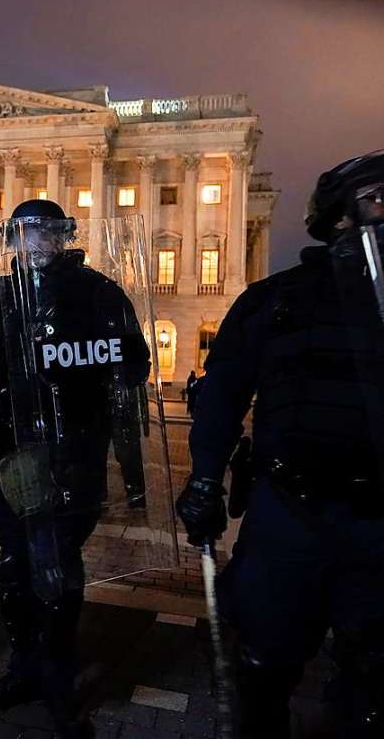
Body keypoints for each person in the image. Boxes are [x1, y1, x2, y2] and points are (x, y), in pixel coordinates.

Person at [176, 151, 384, 738]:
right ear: (340, 217)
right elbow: (221, 398)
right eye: (378, 199)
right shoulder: (278, 299)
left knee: (371, 671)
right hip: (291, 510)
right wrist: (202, 478)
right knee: (263, 662)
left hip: (378, 523)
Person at [0, 199, 150, 738]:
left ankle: (60, 684)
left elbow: (133, 362)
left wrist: (79, 369)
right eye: (23, 234)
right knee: (15, 564)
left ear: (62, 238)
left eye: (44, 233)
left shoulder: (98, 292)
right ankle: (24, 668)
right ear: (11, 242)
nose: (34, 243)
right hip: (13, 456)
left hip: (72, 452)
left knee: (56, 565)